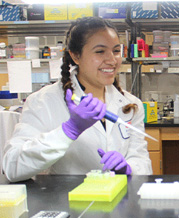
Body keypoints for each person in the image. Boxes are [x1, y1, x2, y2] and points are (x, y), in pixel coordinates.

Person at [2, 17, 152, 182]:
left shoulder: (130, 105)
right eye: (100, 51)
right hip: (66, 200)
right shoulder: (43, 101)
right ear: (75, 56)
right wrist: (69, 130)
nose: (112, 60)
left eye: (116, 51)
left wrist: (129, 168)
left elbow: (141, 160)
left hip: (120, 200)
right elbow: (12, 167)